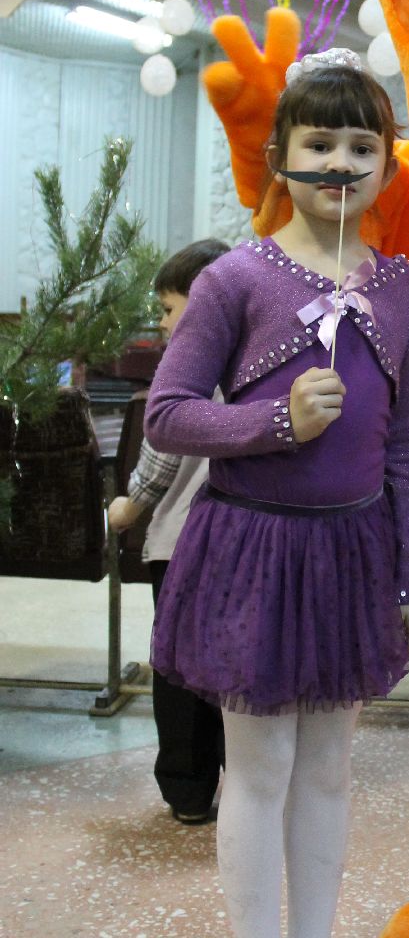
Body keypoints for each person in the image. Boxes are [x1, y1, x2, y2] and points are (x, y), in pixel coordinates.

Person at [144, 46, 409, 938]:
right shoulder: (235, 279)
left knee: (330, 772)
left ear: (387, 163)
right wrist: (275, 421)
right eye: (319, 142)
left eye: (362, 145)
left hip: (353, 554)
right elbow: (168, 415)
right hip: (255, 552)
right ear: (280, 157)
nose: (340, 164)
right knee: (258, 773)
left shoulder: (405, 292)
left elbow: (404, 447)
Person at [108, 238, 229, 823]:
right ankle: (246, 776)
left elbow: (160, 459)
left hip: (181, 544)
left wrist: (127, 507)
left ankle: (187, 789)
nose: (160, 322)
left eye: (166, 307)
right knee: (235, 664)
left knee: (179, 668)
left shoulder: (187, 366)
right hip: (245, 543)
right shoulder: (259, 361)